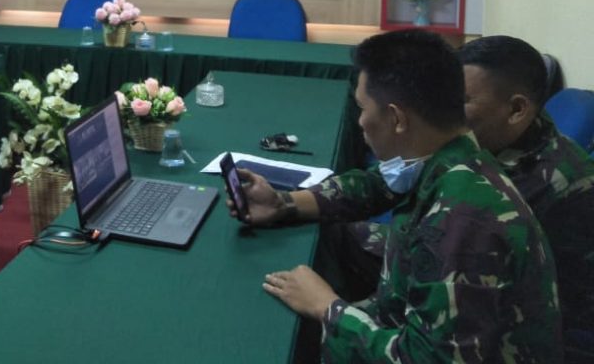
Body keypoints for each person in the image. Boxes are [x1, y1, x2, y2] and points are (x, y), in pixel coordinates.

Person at [228, 29, 562, 362]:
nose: (360, 121)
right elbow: (377, 185)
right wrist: (284, 203)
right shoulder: (448, 155)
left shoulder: (463, 220)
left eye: (362, 108)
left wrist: (327, 308)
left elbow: (427, 358)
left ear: (397, 118)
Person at [460, 35, 594, 362]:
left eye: (461, 100)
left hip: (539, 336)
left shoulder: (551, 180)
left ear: (517, 109)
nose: (445, 113)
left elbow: (459, 260)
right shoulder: (492, 142)